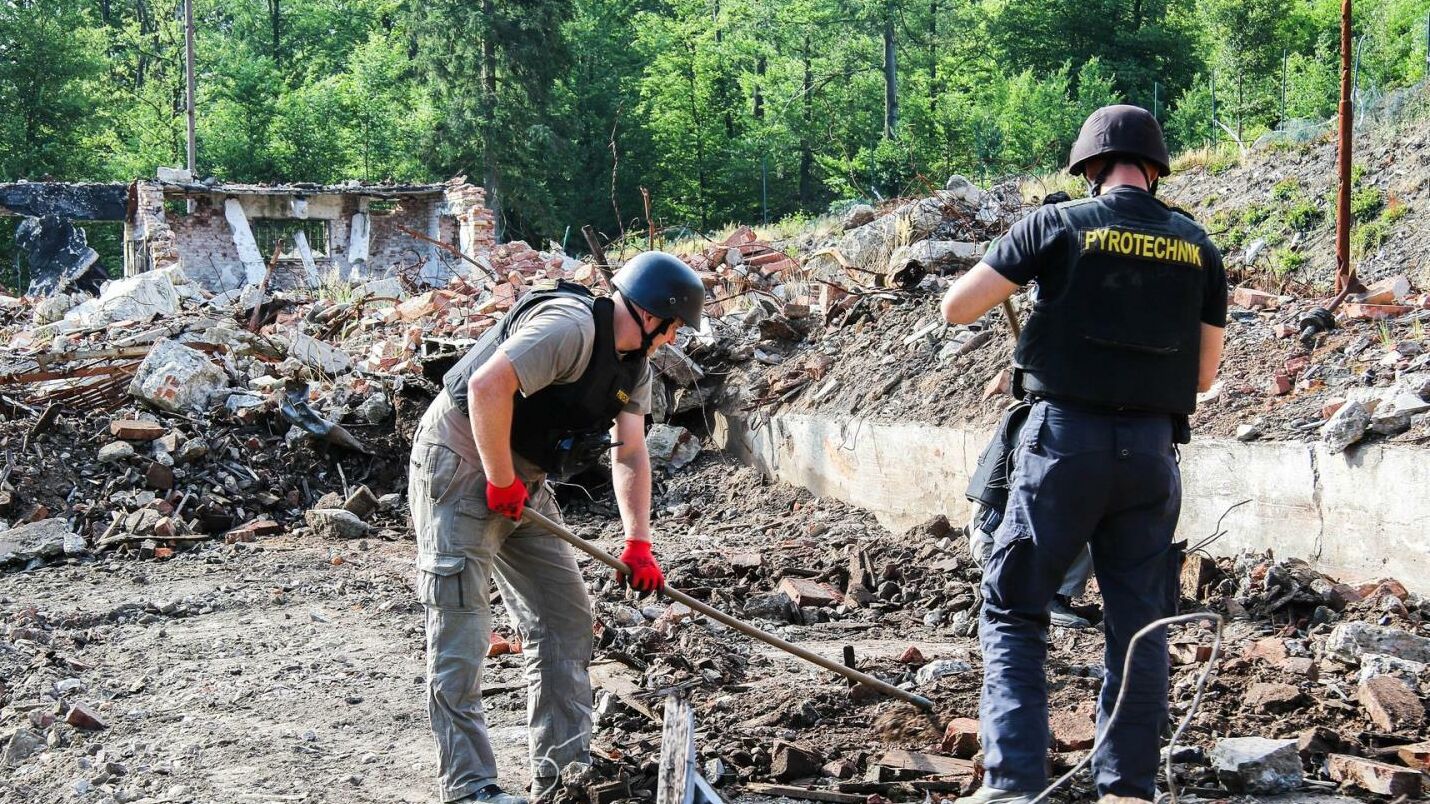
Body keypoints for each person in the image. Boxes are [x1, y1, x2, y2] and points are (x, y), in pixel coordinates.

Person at [939, 105, 1226, 804]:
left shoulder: (1058, 225)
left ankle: (1014, 789)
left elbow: (957, 307)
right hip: (1152, 457)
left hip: (1063, 448)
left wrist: (1036, 283)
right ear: (1156, 171)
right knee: (1139, 626)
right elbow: (1205, 376)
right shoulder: (1198, 246)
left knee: (1014, 609)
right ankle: (1127, 791)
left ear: (1090, 167)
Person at [408, 251, 705, 804]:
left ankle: (564, 777)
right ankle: (470, 790)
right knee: (462, 630)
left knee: (564, 618)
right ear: (650, 315)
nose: (674, 338)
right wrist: (498, 479)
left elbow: (632, 454)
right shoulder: (567, 328)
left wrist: (639, 542)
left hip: (524, 475)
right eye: (675, 327)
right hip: (462, 459)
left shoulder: (633, 366)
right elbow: (485, 387)